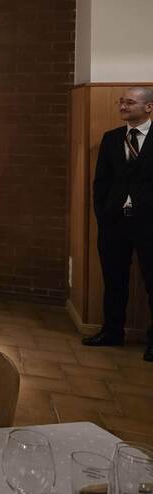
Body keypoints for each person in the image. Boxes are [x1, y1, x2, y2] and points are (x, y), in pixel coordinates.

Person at [83, 86, 153, 362]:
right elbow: (101, 181)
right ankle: (112, 332)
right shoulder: (112, 138)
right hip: (114, 222)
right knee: (114, 280)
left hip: (149, 224)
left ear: (148, 107)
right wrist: (102, 213)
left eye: (130, 102)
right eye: (121, 102)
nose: (123, 106)